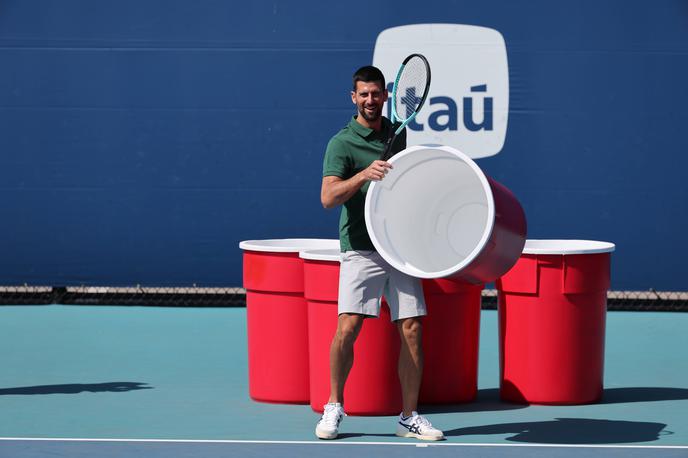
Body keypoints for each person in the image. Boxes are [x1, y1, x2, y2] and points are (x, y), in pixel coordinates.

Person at [315, 65, 444, 441]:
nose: (371, 100)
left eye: (376, 94)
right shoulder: (341, 143)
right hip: (360, 247)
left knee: (412, 329)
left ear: (386, 96)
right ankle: (334, 406)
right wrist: (361, 176)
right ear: (353, 98)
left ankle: (409, 417)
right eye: (363, 94)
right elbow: (327, 198)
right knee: (348, 328)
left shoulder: (398, 136)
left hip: (400, 247)